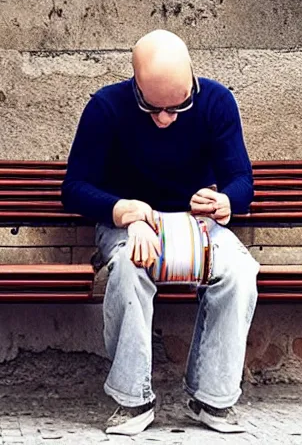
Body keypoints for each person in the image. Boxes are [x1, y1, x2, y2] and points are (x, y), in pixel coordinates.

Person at [61, 29, 260, 436]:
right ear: (134, 82)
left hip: (197, 224)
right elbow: (74, 187)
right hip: (130, 224)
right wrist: (121, 210)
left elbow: (240, 178)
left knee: (240, 272)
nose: (167, 119)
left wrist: (226, 202)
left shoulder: (217, 101)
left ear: (192, 80)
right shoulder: (106, 107)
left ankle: (213, 399)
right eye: (153, 108)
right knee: (129, 270)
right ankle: (132, 401)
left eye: (179, 106)